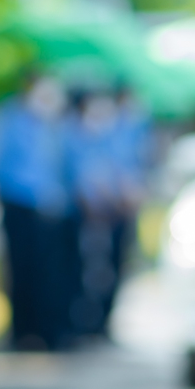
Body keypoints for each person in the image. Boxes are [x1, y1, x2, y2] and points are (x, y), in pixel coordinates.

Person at [0, 73, 78, 350]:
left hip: (52, 209)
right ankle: (22, 332)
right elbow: (2, 165)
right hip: (20, 206)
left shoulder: (55, 124)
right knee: (21, 270)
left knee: (52, 274)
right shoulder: (10, 120)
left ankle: (51, 331)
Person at [68, 86, 149, 339]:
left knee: (113, 267)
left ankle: (103, 322)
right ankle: (85, 321)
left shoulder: (119, 133)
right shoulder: (80, 134)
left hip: (115, 213)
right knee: (90, 268)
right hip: (92, 215)